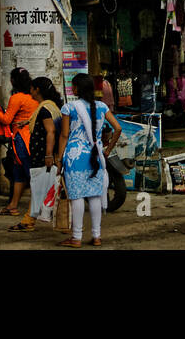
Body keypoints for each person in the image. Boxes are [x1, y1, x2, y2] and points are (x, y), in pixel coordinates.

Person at [57, 73, 122, 248]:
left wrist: (58, 158)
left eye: (73, 85)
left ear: (77, 89)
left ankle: (76, 238)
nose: (72, 88)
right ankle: (97, 236)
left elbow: (64, 135)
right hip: (97, 156)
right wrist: (107, 150)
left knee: (77, 196)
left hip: (74, 158)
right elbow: (118, 128)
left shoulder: (69, 108)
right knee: (95, 195)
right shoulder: (102, 107)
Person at [9, 76, 63, 233]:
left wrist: (47, 155)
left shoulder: (45, 109)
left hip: (43, 155)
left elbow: (51, 131)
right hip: (45, 154)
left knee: (39, 188)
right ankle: (31, 219)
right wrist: (27, 122)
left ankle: (29, 221)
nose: (30, 92)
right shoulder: (49, 107)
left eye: (31, 89)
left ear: (37, 90)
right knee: (42, 188)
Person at [0, 67, 39, 217]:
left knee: (28, 174)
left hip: (21, 140)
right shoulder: (34, 97)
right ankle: (13, 206)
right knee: (19, 174)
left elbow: (6, 120)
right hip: (32, 138)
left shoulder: (16, 98)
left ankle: (35, 209)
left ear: (12, 81)